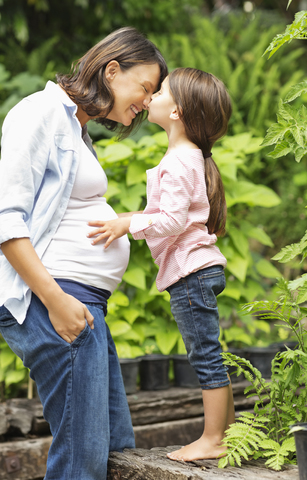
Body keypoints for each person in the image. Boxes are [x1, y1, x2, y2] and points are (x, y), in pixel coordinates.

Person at [0, 27, 167, 480]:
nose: (147, 102)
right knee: (83, 465)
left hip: (81, 306)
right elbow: (6, 218)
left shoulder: (76, 126)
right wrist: (57, 303)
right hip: (55, 302)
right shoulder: (40, 112)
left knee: (115, 453)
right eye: (145, 88)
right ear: (112, 70)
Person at [88, 67, 236, 462]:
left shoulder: (179, 162)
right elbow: (173, 214)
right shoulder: (186, 157)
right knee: (209, 353)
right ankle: (226, 435)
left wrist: (127, 223)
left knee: (204, 356)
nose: (150, 96)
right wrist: (130, 219)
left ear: (177, 112)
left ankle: (214, 439)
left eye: (161, 91)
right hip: (197, 270)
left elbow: (170, 221)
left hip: (190, 273)